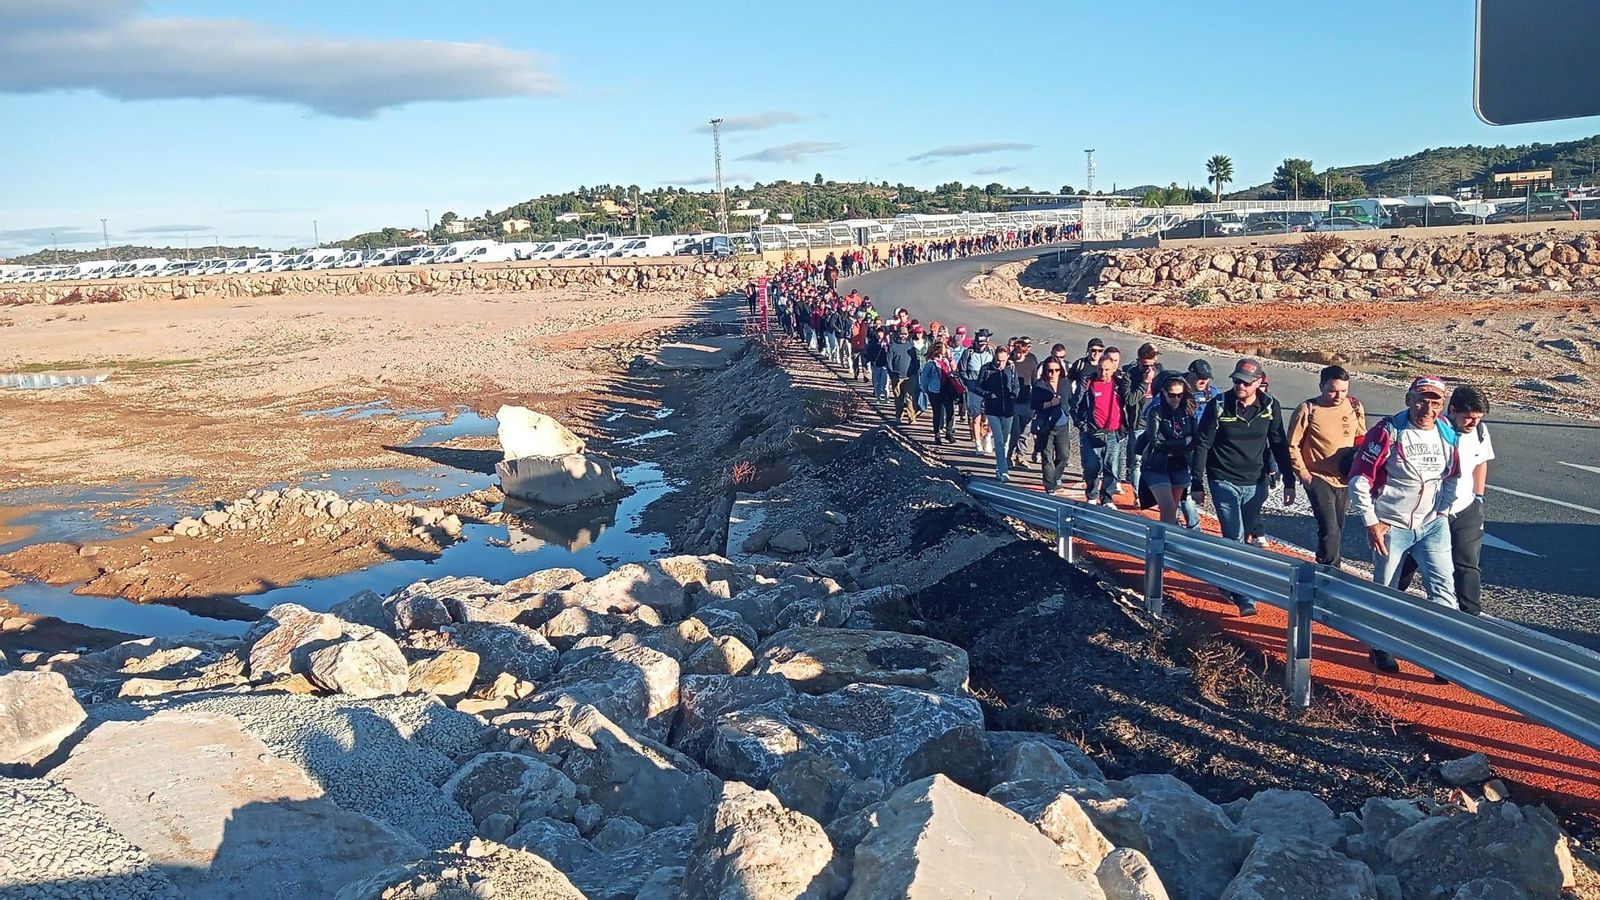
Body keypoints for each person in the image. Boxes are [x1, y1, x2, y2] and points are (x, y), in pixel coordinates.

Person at [1348, 375, 1462, 672]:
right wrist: (1372, 521)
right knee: (1387, 588)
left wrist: (1443, 513)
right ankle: (1379, 645)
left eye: (1435, 401)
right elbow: (1359, 479)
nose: (1428, 407)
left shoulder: (1446, 431)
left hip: (1431, 526)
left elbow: (1453, 475)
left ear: (1442, 405)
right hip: (1391, 525)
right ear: (1409, 399)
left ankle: (1443, 657)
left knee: (1443, 590)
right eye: (1422, 399)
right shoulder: (1388, 431)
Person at [1192, 358, 1295, 616]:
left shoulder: (1270, 406)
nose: (1240, 386)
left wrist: (1289, 480)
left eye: (1246, 382)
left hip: (1256, 482)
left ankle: (1225, 578)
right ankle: (1244, 595)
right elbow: (1203, 444)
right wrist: (1197, 482)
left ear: (1259, 382)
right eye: (1237, 380)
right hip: (1223, 479)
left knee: (1245, 537)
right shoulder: (1218, 405)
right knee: (1235, 537)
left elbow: (1279, 444)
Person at [1399, 385, 1492, 616]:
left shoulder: (1480, 432)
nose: (1473, 424)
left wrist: (1479, 498)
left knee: (1467, 564)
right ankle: (1391, 600)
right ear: (1451, 410)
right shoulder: (1433, 431)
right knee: (1410, 559)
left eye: (1478, 419)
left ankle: (1470, 619)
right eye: (1469, 418)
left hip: (1465, 508)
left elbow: (1482, 461)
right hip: (1429, 510)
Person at [1287, 365, 1367, 567]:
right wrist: (1304, 475)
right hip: (1318, 477)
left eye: (1343, 391)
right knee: (1330, 528)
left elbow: (1361, 438)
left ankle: (1323, 565)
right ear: (1321, 386)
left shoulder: (1355, 406)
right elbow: (1292, 445)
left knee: (1336, 528)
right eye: (1332, 390)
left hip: (1344, 478)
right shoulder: (1308, 409)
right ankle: (1332, 573)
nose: (1338, 396)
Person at [1070, 346, 1137, 506]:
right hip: (1092, 432)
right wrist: (1082, 424)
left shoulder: (1119, 384)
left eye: (1107, 369)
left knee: (1111, 467)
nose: (1104, 373)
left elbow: (1131, 400)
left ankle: (1107, 498)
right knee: (1092, 466)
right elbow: (1075, 406)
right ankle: (1092, 495)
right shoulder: (1088, 384)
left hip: (1114, 432)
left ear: (1113, 369)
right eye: (1101, 369)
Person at [1141, 374, 1199, 524]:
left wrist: (1177, 444)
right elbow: (1155, 442)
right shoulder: (1156, 412)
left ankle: (1168, 538)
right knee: (1167, 507)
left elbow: (1195, 439)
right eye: (1172, 395)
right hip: (1157, 466)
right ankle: (1163, 543)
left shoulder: (1188, 412)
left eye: (1180, 395)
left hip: (1180, 464)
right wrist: (1182, 442)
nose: (1176, 399)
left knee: (1173, 509)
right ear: (1164, 393)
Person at [1122, 343, 1164, 495]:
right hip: (1139, 424)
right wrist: (1145, 382)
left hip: (1157, 423)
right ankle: (1138, 495)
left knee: (1157, 461)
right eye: (1145, 365)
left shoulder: (1159, 371)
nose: (1149, 369)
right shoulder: (1130, 375)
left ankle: (1154, 491)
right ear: (1139, 360)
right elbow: (1130, 401)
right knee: (1137, 461)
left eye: (1152, 364)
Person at [1031, 356, 1073, 493]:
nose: (1052, 374)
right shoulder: (1040, 384)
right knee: (1047, 457)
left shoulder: (1065, 384)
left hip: (1062, 424)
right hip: (1045, 425)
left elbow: (1071, 400)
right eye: (1049, 370)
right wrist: (1050, 404)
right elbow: (1034, 404)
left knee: (1064, 456)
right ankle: (1050, 486)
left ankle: (1054, 478)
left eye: (1056, 370)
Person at [978, 346, 1018, 481]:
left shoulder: (1011, 369)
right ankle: (1003, 470)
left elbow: (1016, 385)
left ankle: (999, 467)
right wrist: (988, 394)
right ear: (994, 357)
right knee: (999, 441)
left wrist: (1013, 396)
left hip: (1008, 410)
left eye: (1003, 360)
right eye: (998, 360)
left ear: (1007, 358)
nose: (1000, 363)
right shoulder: (987, 369)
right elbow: (978, 386)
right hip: (993, 410)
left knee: (1005, 441)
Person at [958, 330, 996, 453]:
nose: (982, 346)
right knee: (976, 417)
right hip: (974, 388)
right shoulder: (968, 353)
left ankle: (988, 436)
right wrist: (970, 383)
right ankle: (978, 444)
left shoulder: (992, 352)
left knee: (992, 415)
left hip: (989, 388)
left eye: (984, 343)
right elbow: (962, 370)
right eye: (980, 343)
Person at [920, 341, 961, 445]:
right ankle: (937, 435)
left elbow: (954, 370)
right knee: (937, 414)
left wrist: (951, 360)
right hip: (935, 391)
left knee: (950, 412)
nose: (945, 353)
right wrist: (927, 391)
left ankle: (949, 432)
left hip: (947, 390)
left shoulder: (946, 361)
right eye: (943, 351)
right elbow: (924, 379)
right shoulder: (930, 364)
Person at [1009, 337, 1039, 470]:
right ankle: (1009, 454)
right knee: (1014, 431)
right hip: (1013, 402)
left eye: (1022, 352)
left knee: (1024, 432)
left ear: (1026, 352)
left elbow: (1034, 382)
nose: (1019, 354)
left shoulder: (1032, 362)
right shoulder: (1009, 364)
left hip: (1027, 401)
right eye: (1017, 351)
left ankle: (1020, 456)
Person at [887, 326, 921, 423]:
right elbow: (889, 362)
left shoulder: (911, 347)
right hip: (896, 377)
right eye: (901, 334)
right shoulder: (893, 346)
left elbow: (915, 361)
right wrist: (892, 375)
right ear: (898, 334)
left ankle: (911, 418)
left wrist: (914, 373)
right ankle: (898, 417)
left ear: (907, 335)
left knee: (909, 397)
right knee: (898, 398)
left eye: (905, 334)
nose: (903, 336)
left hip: (909, 377)